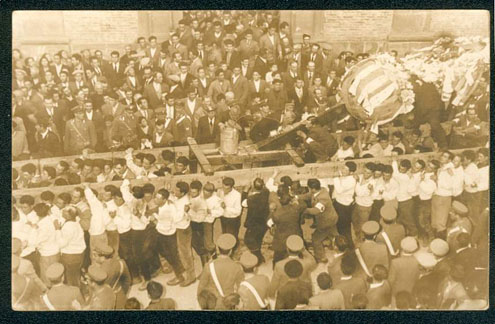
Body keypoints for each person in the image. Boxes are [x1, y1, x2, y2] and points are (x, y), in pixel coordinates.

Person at [197, 234, 245, 310]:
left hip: (213, 302)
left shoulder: (209, 266)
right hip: (228, 302)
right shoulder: (237, 267)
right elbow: (241, 287)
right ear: (231, 251)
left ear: (218, 249)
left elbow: (201, 288)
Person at [54, 205, 86, 288]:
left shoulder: (69, 227)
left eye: (64, 211)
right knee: (75, 276)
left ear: (69, 215)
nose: (62, 211)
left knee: (71, 280)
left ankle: (75, 297)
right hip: (79, 254)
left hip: (70, 257)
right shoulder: (76, 222)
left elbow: (61, 244)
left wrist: (57, 229)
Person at [242, 178, 270, 265]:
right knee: (258, 239)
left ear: (253, 187)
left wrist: (245, 191)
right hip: (263, 222)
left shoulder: (251, 199)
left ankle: (258, 257)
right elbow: (266, 187)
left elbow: (243, 203)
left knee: (248, 240)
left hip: (254, 223)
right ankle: (258, 257)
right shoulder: (266, 193)